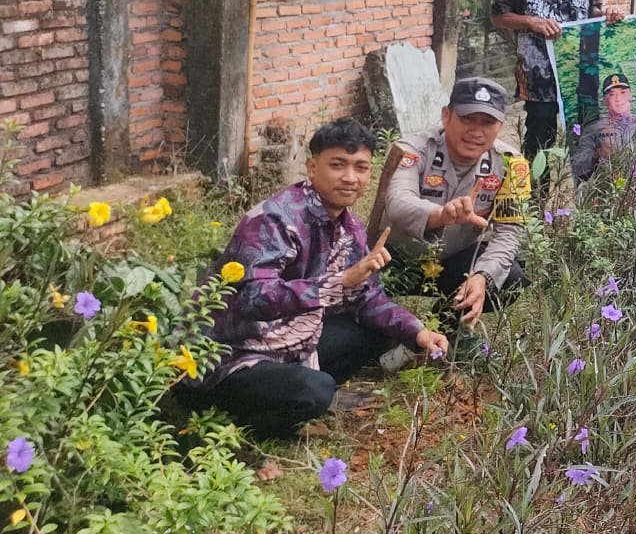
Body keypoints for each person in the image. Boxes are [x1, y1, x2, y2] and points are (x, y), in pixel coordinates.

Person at [177, 118, 448, 439]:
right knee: (317, 390)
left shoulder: (350, 228)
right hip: (229, 355)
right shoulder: (275, 220)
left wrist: (417, 332)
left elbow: (368, 298)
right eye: (338, 165)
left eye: (361, 168)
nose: (350, 178)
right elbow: (255, 299)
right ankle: (240, 421)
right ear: (312, 167)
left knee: (377, 330)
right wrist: (338, 283)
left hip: (287, 344)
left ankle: (291, 389)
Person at [369, 77, 531, 326]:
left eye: (487, 122)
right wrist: (441, 215)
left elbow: (509, 232)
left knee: (510, 277)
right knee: (358, 313)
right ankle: (394, 334)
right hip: (393, 260)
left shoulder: (511, 164)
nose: (476, 132)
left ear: (500, 125)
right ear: (446, 116)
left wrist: (482, 276)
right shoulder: (413, 149)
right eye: (467, 119)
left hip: (451, 263)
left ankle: (442, 329)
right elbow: (398, 201)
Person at [491, 0, 627, 160]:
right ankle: (537, 200)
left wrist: (609, 14)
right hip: (537, 73)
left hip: (581, 74)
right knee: (539, 141)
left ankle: (585, 197)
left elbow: (593, 13)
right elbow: (498, 16)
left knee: (589, 139)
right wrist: (531, 21)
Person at [571, 73, 636, 181]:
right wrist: (596, 155)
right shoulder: (594, 130)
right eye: (612, 94)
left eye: (623, 92)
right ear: (605, 100)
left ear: (631, 95)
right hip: (611, 190)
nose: (618, 99)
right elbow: (577, 168)